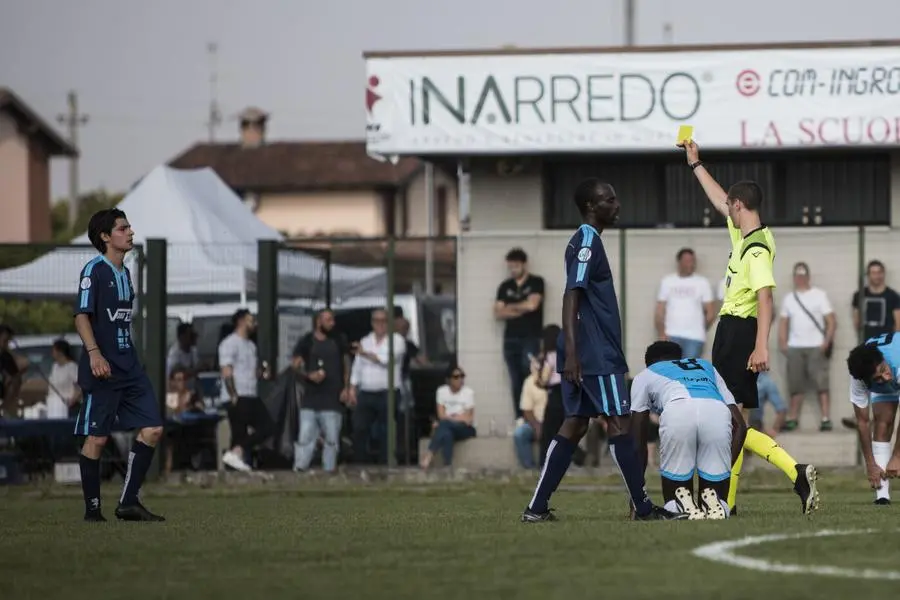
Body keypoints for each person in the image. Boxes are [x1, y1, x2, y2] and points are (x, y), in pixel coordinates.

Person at [521, 178, 685, 523]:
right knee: (620, 421)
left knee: (576, 423)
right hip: (593, 351)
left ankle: (536, 508)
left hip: (585, 348)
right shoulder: (586, 240)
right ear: (592, 207)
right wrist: (573, 353)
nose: (617, 204)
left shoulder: (590, 240)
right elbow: (571, 293)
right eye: (610, 200)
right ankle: (642, 507)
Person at [680, 140, 818, 516]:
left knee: (731, 419)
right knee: (732, 418)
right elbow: (719, 196)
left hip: (740, 333)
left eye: (730, 206)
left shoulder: (755, 248)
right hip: (732, 331)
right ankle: (730, 501)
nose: (727, 207)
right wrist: (695, 165)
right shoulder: (745, 234)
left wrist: (762, 346)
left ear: (739, 207)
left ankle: (795, 471)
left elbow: (766, 298)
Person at [73, 208, 164, 522]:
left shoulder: (125, 273)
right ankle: (92, 510)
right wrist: (95, 353)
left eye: (129, 227)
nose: (130, 232)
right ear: (105, 236)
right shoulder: (93, 270)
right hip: (103, 369)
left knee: (153, 429)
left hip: (130, 367)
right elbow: (81, 316)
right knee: (97, 438)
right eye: (123, 228)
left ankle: (128, 502)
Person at [630, 341, 747, 520]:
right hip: (716, 412)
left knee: (676, 493)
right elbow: (740, 426)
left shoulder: (645, 375)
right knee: (713, 493)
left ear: (650, 362)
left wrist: (637, 492)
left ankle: (680, 504)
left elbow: (638, 437)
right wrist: (725, 467)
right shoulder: (707, 366)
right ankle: (717, 504)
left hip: (678, 411)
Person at [291, 309, 351, 473]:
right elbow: (295, 365)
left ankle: (329, 469)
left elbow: (346, 364)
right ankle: (301, 468)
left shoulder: (339, 340)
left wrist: (346, 387)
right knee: (306, 436)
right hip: (311, 398)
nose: (332, 323)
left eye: (332, 320)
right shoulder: (307, 341)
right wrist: (309, 375)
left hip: (332, 397)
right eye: (328, 320)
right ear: (318, 321)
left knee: (332, 438)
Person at [845, 333, 900, 505]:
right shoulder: (858, 378)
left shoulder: (896, 363)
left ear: (883, 360)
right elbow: (862, 422)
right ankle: (882, 495)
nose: (886, 378)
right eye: (877, 378)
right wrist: (870, 464)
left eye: (883, 370)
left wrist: (897, 455)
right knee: (882, 424)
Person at [219, 309, 273, 472]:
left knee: (267, 427)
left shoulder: (251, 345)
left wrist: (262, 374)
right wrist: (233, 394)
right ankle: (236, 461)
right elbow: (227, 371)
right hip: (238, 395)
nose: (254, 324)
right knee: (239, 433)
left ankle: (236, 453)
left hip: (251, 393)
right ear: (241, 322)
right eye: (251, 320)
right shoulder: (230, 343)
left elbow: (249, 370)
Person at [494, 248, 545, 419]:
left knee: (529, 375)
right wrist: (522, 307)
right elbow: (498, 313)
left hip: (531, 337)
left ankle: (535, 416)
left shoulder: (536, 282)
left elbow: (533, 305)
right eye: (510, 266)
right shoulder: (505, 286)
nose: (513, 269)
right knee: (515, 380)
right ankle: (520, 418)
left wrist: (511, 307)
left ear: (524, 264)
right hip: (510, 339)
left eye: (516, 266)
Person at [513, 324, 560, 469]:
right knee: (521, 433)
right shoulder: (564, 357)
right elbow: (526, 410)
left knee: (552, 434)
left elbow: (543, 382)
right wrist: (537, 426)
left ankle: (545, 466)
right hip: (539, 421)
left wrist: (536, 374)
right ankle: (530, 467)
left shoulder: (552, 358)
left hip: (556, 404)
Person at [655, 248, 715, 358]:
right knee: (671, 371)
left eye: (693, 261)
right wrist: (662, 333)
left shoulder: (702, 282)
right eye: (687, 261)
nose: (691, 264)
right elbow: (659, 311)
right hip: (671, 335)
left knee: (689, 372)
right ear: (679, 262)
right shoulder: (667, 281)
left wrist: (700, 328)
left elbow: (710, 312)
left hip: (695, 337)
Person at [419, 365, 476, 469]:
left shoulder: (468, 392)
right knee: (447, 433)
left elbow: (468, 419)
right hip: (448, 426)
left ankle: (429, 455)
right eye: (456, 377)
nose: (460, 379)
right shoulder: (442, 391)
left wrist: (449, 418)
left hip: (465, 428)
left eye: (462, 376)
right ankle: (447, 465)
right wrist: (457, 417)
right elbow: (441, 415)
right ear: (448, 380)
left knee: (443, 425)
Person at [47, 339, 80, 419]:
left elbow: (78, 387)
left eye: (54, 350)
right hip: (53, 404)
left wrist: (72, 400)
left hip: (67, 406)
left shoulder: (72, 367)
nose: (52, 353)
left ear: (60, 352)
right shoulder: (55, 366)